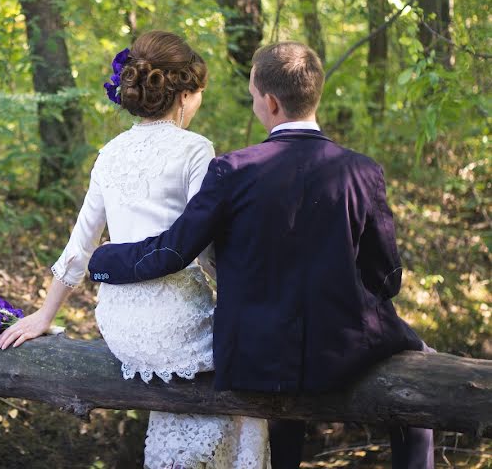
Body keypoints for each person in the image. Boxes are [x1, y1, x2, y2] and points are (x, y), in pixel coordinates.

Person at [86, 41, 434, 469]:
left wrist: (101, 262)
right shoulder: (362, 171)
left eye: (253, 97)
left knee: (279, 408)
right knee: (421, 376)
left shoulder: (231, 170)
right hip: (342, 349)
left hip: (253, 354)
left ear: (269, 102)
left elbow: (172, 250)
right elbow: (387, 280)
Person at [0, 31, 270, 469]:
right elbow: (203, 247)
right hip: (176, 322)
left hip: (121, 328)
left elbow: (79, 244)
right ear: (182, 95)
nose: (198, 102)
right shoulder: (196, 149)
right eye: (198, 93)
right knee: (250, 370)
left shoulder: (110, 152)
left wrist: (44, 316)